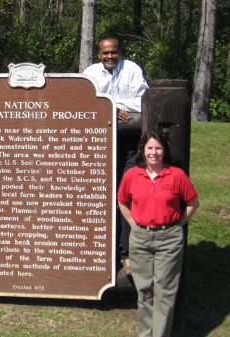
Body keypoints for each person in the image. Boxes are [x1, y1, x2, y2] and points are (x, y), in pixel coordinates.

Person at [118, 130, 199, 337]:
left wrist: (178, 223)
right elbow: (122, 200)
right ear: (143, 150)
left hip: (169, 240)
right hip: (140, 238)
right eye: (150, 148)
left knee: (165, 292)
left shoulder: (177, 175)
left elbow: (192, 202)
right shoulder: (132, 175)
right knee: (144, 291)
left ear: (164, 150)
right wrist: (133, 223)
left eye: (158, 148)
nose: (154, 153)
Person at [83, 36, 149, 274]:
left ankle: (127, 254)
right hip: (100, 144)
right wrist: (113, 106)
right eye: (105, 53)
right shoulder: (90, 72)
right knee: (100, 197)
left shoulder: (131, 69)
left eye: (114, 52)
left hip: (129, 143)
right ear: (98, 54)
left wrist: (108, 104)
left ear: (119, 52)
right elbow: (84, 102)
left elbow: (142, 101)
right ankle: (103, 253)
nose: (110, 57)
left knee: (127, 197)